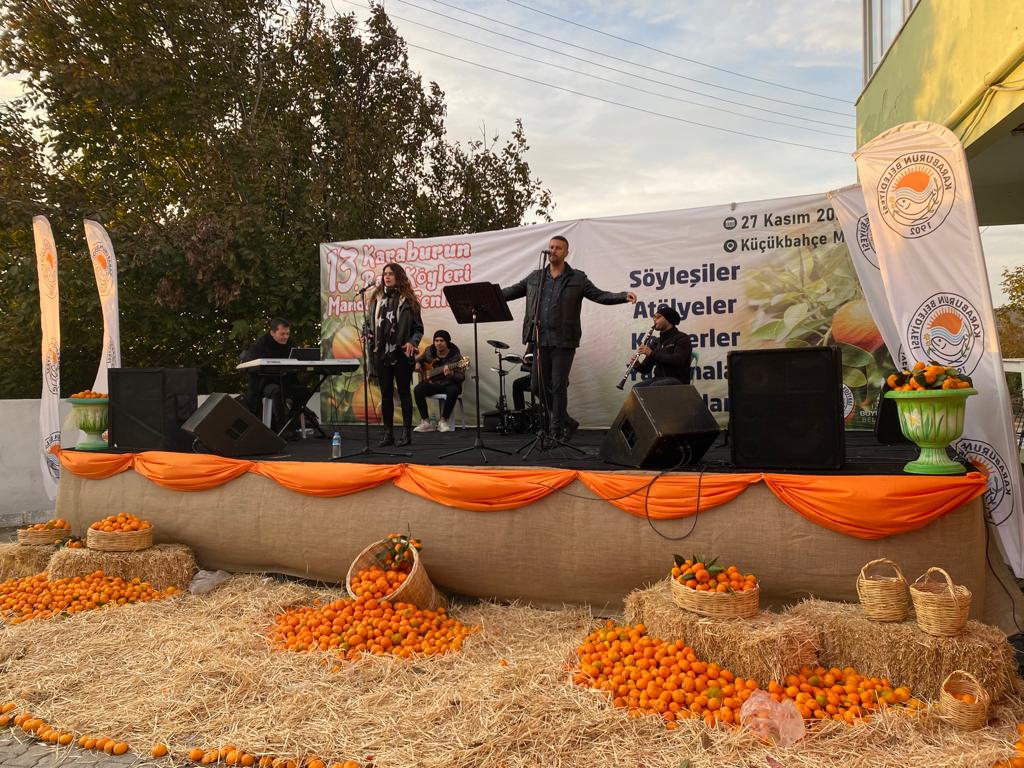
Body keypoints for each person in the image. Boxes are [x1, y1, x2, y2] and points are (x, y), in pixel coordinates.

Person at [502, 235, 637, 440]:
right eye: (551, 247)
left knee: (558, 386)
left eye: (558, 248)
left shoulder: (577, 279)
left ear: (566, 252)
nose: (553, 251)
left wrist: (622, 296)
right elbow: (511, 291)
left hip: (564, 340)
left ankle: (556, 431)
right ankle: (567, 421)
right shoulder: (535, 277)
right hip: (539, 339)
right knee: (537, 386)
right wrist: (487, 293)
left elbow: (599, 295)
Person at [364, 263, 423, 447]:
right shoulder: (376, 299)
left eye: (391, 274)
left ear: (399, 276)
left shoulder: (408, 300)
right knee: (386, 394)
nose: (387, 277)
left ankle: (406, 434)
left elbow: (418, 329)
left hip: (401, 353)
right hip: (380, 353)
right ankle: (388, 433)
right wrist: (367, 332)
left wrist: (412, 342)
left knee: (404, 393)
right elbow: (367, 323)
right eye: (385, 274)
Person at [239, 317, 310, 431]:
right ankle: (281, 429)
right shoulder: (260, 345)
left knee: (303, 392)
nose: (286, 337)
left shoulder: (290, 343)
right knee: (277, 392)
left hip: (286, 382)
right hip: (265, 384)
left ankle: (291, 422)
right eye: (282, 334)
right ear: (272, 333)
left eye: (287, 334)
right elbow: (247, 364)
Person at [412, 330, 466, 433]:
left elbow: (461, 377)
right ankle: (426, 422)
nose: (438, 343)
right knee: (418, 389)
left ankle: (443, 421)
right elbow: (419, 359)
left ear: (447, 342)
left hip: (449, 384)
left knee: (454, 390)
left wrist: (452, 375)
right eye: (436, 341)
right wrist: (418, 364)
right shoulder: (429, 351)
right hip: (433, 383)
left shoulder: (456, 356)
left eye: (442, 341)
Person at [632, 305, 693, 387]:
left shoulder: (682, 338)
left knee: (654, 387)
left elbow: (678, 360)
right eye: (654, 317)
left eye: (658, 317)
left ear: (668, 319)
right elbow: (647, 369)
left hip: (678, 380)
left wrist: (652, 353)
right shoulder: (656, 342)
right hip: (659, 379)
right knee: (637, 387)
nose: (654, 319)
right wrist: (637, 365)